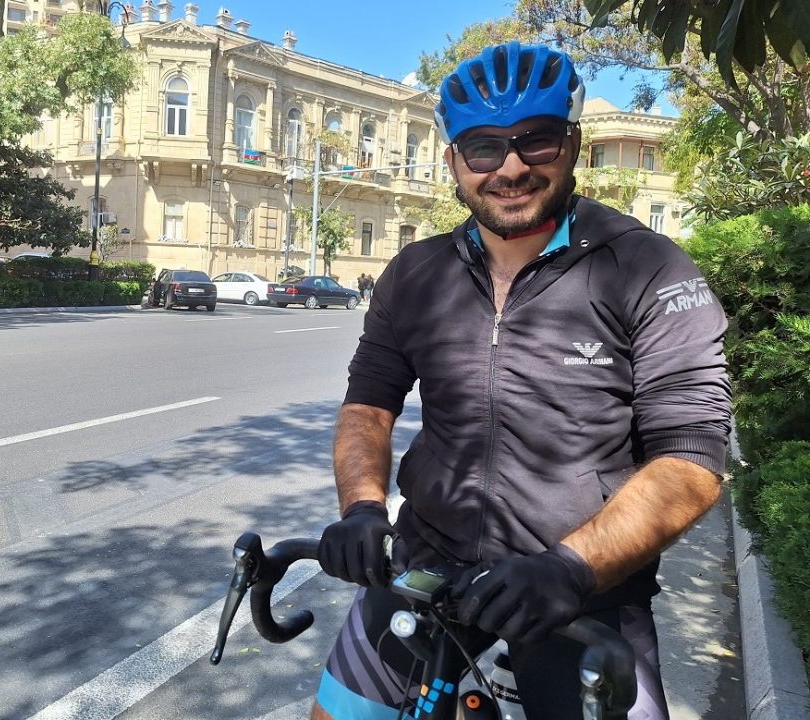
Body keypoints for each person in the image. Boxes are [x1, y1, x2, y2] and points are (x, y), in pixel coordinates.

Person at [311, 41, 731, 720]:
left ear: (572, 145)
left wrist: (572, 568)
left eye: (535, 140)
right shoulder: (416, 274)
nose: (510, 167)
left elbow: (691, 459)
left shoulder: (650, 269)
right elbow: (369, 406)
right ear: (453, 161)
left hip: (582, 584)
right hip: (432, 562)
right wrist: (360, 507)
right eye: (483, 148)